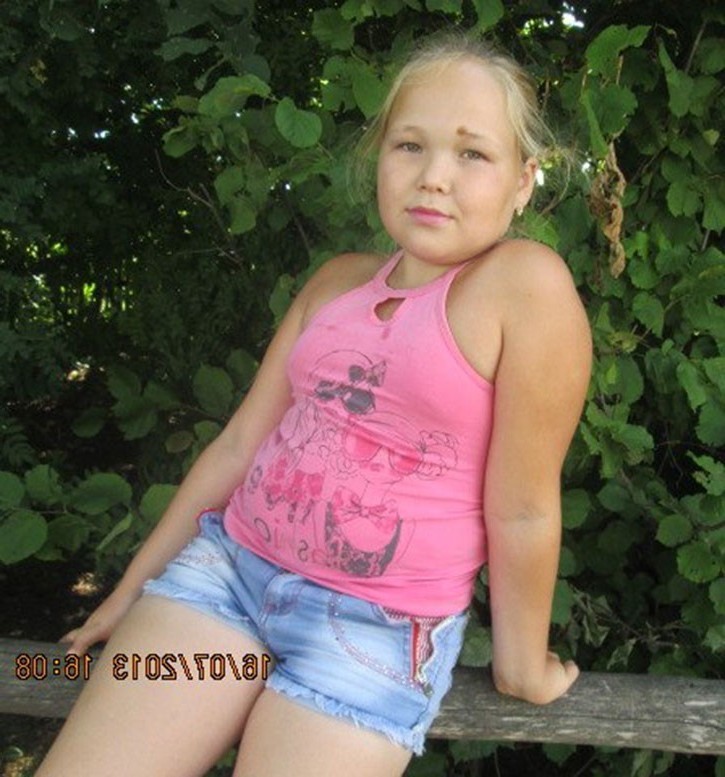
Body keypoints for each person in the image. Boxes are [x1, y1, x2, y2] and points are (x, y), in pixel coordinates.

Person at [37, 32, 592, 777]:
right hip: (225, 578)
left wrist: (520, 663)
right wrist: (128, 593)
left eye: (472, 154)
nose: (433, 177)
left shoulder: (523, 285)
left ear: (523, 181)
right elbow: (239, 446)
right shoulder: (336, 282)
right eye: (409, 145)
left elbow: (521, 507)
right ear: (378, 156)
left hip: (372, 630)